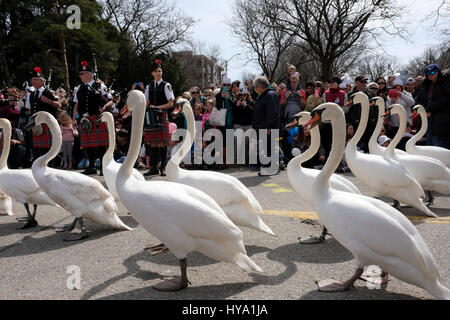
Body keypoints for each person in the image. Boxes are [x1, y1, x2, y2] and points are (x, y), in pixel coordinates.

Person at [72, 61, 108, 175]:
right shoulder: (79, 88)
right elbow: (76, 104)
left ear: (90, 74)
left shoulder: (100, 86)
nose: (80, 76)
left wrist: (105, 107)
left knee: (102, 144)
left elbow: (110, 100)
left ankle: (103, 167)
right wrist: (73, 119)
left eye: (82, 74)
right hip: (85, 118)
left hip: (98, 116)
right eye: (80, 74)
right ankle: (91, 166)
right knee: (88, 144)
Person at [143, 59, 175, 176]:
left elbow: (171, 103)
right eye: (156, 71)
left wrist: (157, 107)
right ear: (152, 73)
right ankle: (153, 167)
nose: (158, 73)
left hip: (161, 115)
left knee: (162, 143)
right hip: (151, 117)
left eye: (160, 71)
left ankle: (163, 167)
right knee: (152, 143)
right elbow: (145, 102)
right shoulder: (148, 87)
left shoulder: (166, 85)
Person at [26, 66, 62, 165]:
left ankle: (50, 166)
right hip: (36, 124)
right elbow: (30, 110)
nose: (34, 82)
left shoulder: (49, 92)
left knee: (48, 147)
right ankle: (37, 166)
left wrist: (49, 101)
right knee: (36, 147)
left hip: (47, 123)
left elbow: (59, 105)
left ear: (42, 81)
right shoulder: (31, 94)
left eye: (36, 80)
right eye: (32, 80)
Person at [415, 64, 450, 148]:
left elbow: (447, 98)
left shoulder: (446, 81)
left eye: (433, 72)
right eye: (428, 73)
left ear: (438, 72)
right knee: (429, 144)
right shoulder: (425, 84)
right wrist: (423, 110)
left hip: (442, 120)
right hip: (427, 119)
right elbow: (418, 99)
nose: (430, 75)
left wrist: (430, 109)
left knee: (438, 144)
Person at [252, 75, 280, 176]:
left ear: (260, 86)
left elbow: (273, 112)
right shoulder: (265, 95)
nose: (255, 89)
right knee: (267, 149)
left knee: (270, 149)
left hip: (268, 128)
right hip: (263, 127)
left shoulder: (270, 95)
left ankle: (271, 169)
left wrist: (269, 127)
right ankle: (268, 168)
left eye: (255, 87)